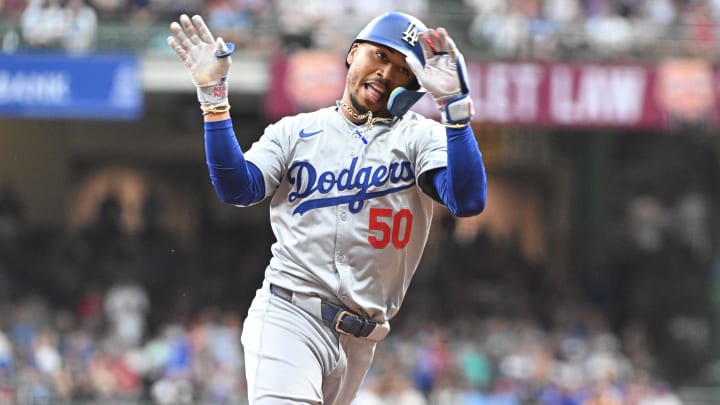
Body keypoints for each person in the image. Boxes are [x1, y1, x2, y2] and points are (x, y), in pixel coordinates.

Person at [168, 11, 487, 404]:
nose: (388, 73)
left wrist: (455, 110)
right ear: (354, 53)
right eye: (381, 56)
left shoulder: (423, 138)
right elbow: (238, 188)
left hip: (363, 338)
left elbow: (468, 200)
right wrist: (214, 97)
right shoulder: (296, 131)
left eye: (404, 70)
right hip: (290, 313)